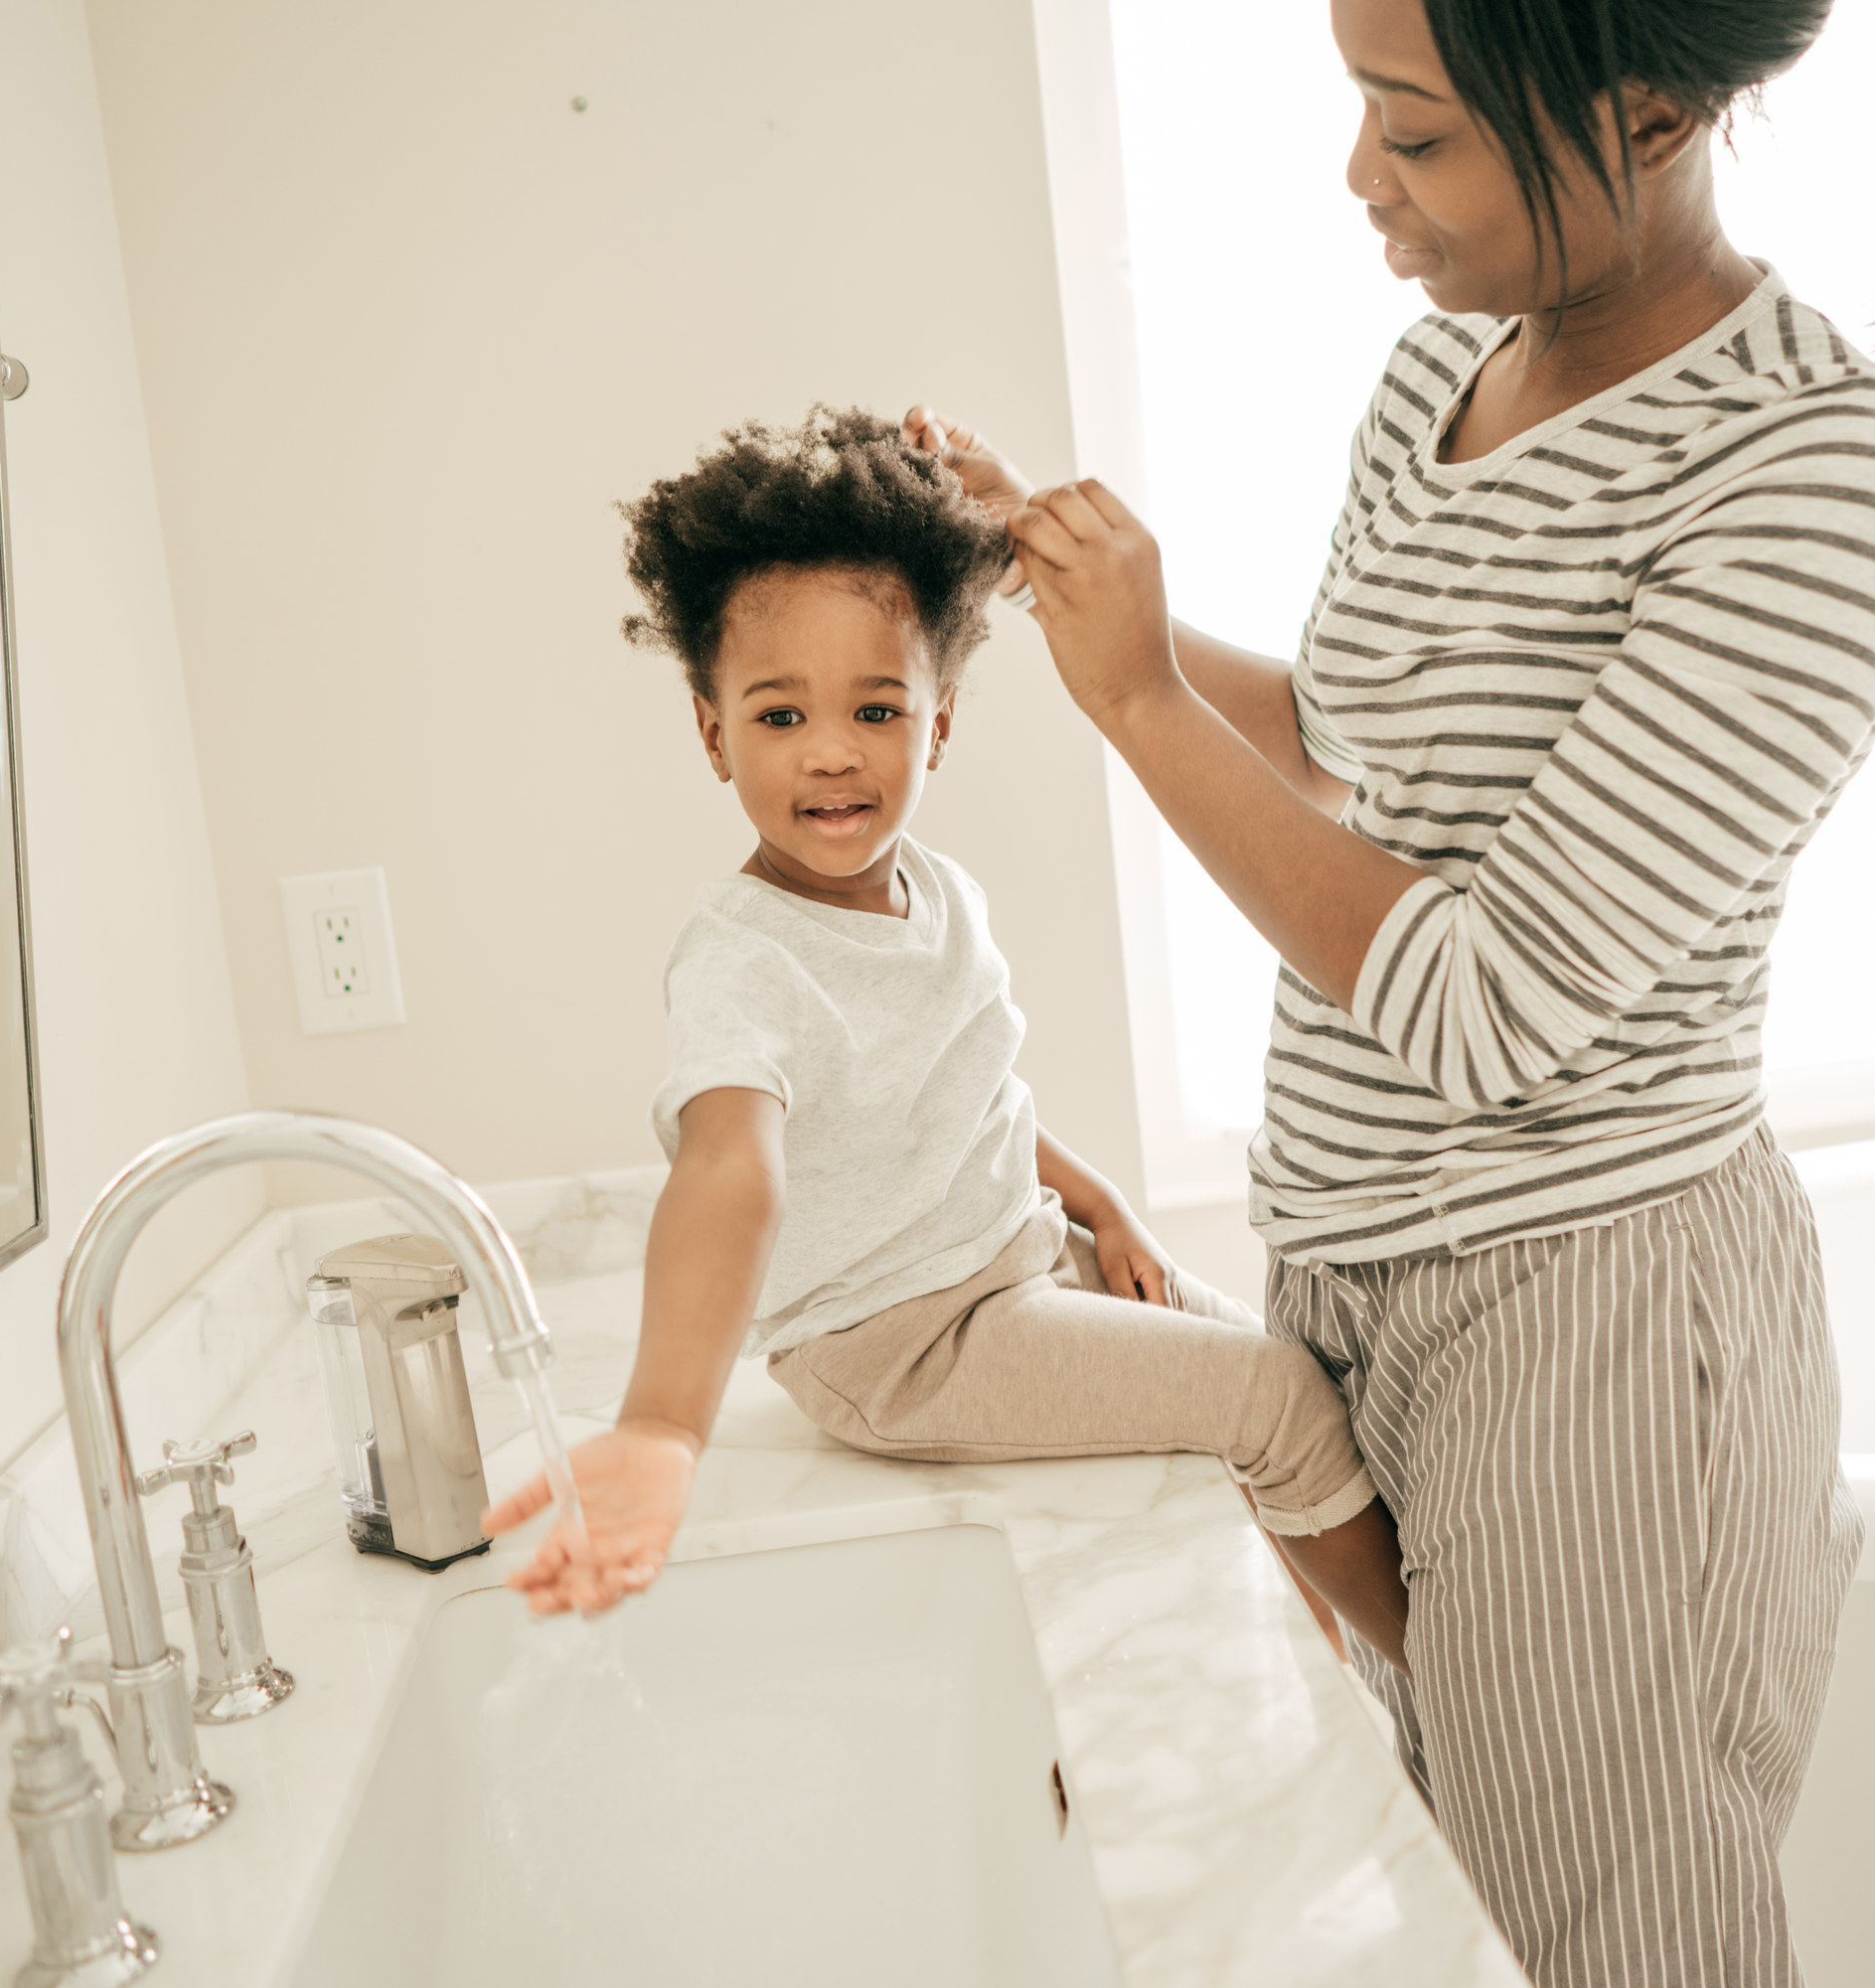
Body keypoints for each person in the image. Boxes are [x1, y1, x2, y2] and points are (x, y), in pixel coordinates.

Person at [907, 0, 1875, 1980]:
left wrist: (1130, 699)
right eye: (1362, 112)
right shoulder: (1446, 366)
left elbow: (1487, 999)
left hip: (1593, 1319)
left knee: (1598, 1947)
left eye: (1417, 134)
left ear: (1655, 110)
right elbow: (1362, 757)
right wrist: (1066, 592)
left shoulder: (1818, 477)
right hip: (1369, 1274)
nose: (1362, 181)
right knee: (1457, 1915)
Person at [482, 408, 1411, 1677]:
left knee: (1267, 1363)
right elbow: (729, 1172)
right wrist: (660, 1424)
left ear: (941, 720)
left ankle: (1321, 1690)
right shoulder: (743, 960)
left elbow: (975, 1101)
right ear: (713, 734)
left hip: (1017, 1262)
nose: (831, 754)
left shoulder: (936, 892)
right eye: (777, 717)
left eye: (875, 709)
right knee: (1277, 1402)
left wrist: (1105, 1212)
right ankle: (1431, 1682)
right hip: (906, 1346)